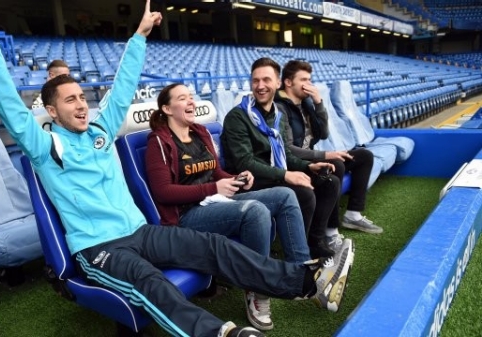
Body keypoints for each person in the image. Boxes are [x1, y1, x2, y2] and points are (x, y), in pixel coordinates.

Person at [0, 1, 353, 336]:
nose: (81, 105)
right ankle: (217, 332)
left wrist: (140, 35)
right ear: (51, 111)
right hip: (99, 249)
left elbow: (123, 85)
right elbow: (10, 107)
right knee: (150, 283)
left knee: (213, 245)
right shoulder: (45, 146)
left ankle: (308, 281)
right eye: (69, 101)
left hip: (140, 231)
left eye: (82, 97)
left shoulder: (99, 131)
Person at [145, 83, 320, 331]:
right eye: (183, 98)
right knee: (255, 211)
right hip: (186, 215)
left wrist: (237, 177)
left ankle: (299, 270)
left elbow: (215, 172)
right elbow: (163, 192)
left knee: (284, 195)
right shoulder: (158, 142)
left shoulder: (200, 133)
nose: (191, 102)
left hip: (215, 203)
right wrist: (213, 189)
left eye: (191, 97)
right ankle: (257, 289)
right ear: (167, 108)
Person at [221, 57, 350, 259]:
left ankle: (314, 241)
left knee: (329, 181)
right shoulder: (237, 117)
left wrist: (309, 167)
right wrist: (287, 175)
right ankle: (296, 256)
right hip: (249, 181)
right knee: (304, 192)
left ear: (278, 83)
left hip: (274, 173)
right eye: (255, 81)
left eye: (266, 80)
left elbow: (286, 154)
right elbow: (244, 162)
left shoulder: (277, 115)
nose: (260, 86)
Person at [275, 60, 382, 237]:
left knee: (364, 156)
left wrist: (318, 103)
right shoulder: (280, 108)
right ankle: (330, 229)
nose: (308, 85)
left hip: (313, 157)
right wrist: (326, 154)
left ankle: (353, 214)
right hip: (297, 163)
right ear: (288, 82)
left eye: (309, 80)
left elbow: (323, 134)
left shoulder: (307, 103)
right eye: (303, 80)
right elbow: (287, 150)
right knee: (336, 165)